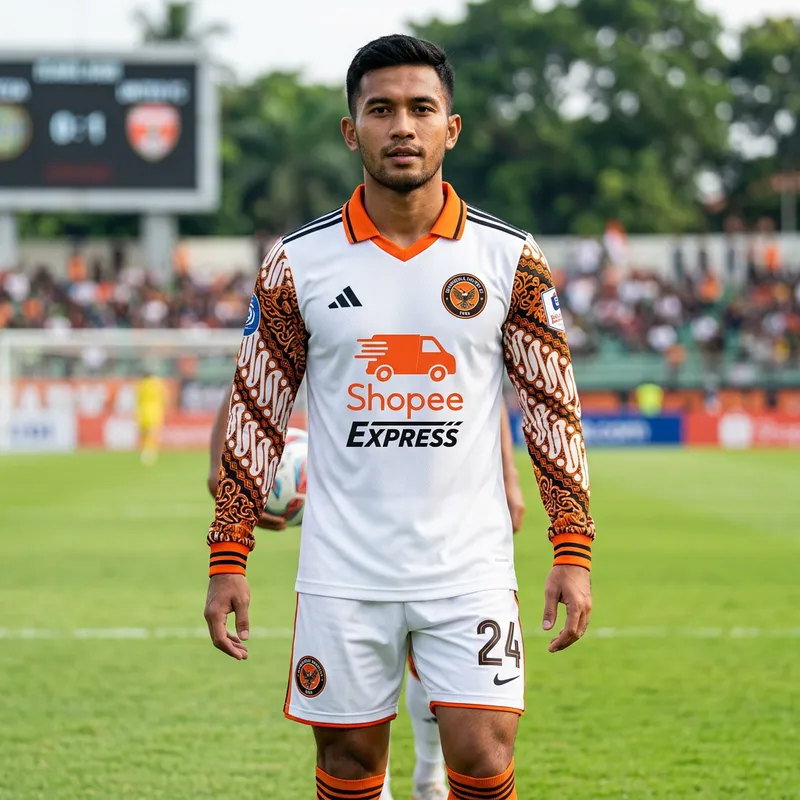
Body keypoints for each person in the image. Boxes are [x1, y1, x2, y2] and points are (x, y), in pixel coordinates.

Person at [204, 34, 595, 800]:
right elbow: (256, 408)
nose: (403, 127)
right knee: (349, 766)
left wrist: (572, 546)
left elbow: (553, 406)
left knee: (482, 754)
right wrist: (228, 557)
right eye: (381, 110)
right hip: (343, 567)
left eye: (422, 108)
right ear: (353, 132)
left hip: (469, 563)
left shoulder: (509, 257)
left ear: (452, 127)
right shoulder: (297, 262)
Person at [207, 389, 526, 800]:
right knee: (354, 740)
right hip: (350, 537)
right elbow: (252, 375)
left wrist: (509, 474)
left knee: (465, 720)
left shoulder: (462, 327)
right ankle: (385, 780)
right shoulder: (318, 324)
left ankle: (427, 776)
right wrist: (224, 467)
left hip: (456, 531)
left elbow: (481, 380)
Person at [136, 371, 167, 466]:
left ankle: (143, 450)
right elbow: (165, 396)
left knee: (144, 432)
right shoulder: (158, 383)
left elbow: (138, 398)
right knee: (153, 432)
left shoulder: (141, 385)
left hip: (143, 410)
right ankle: (150, 452)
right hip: (155, 410)